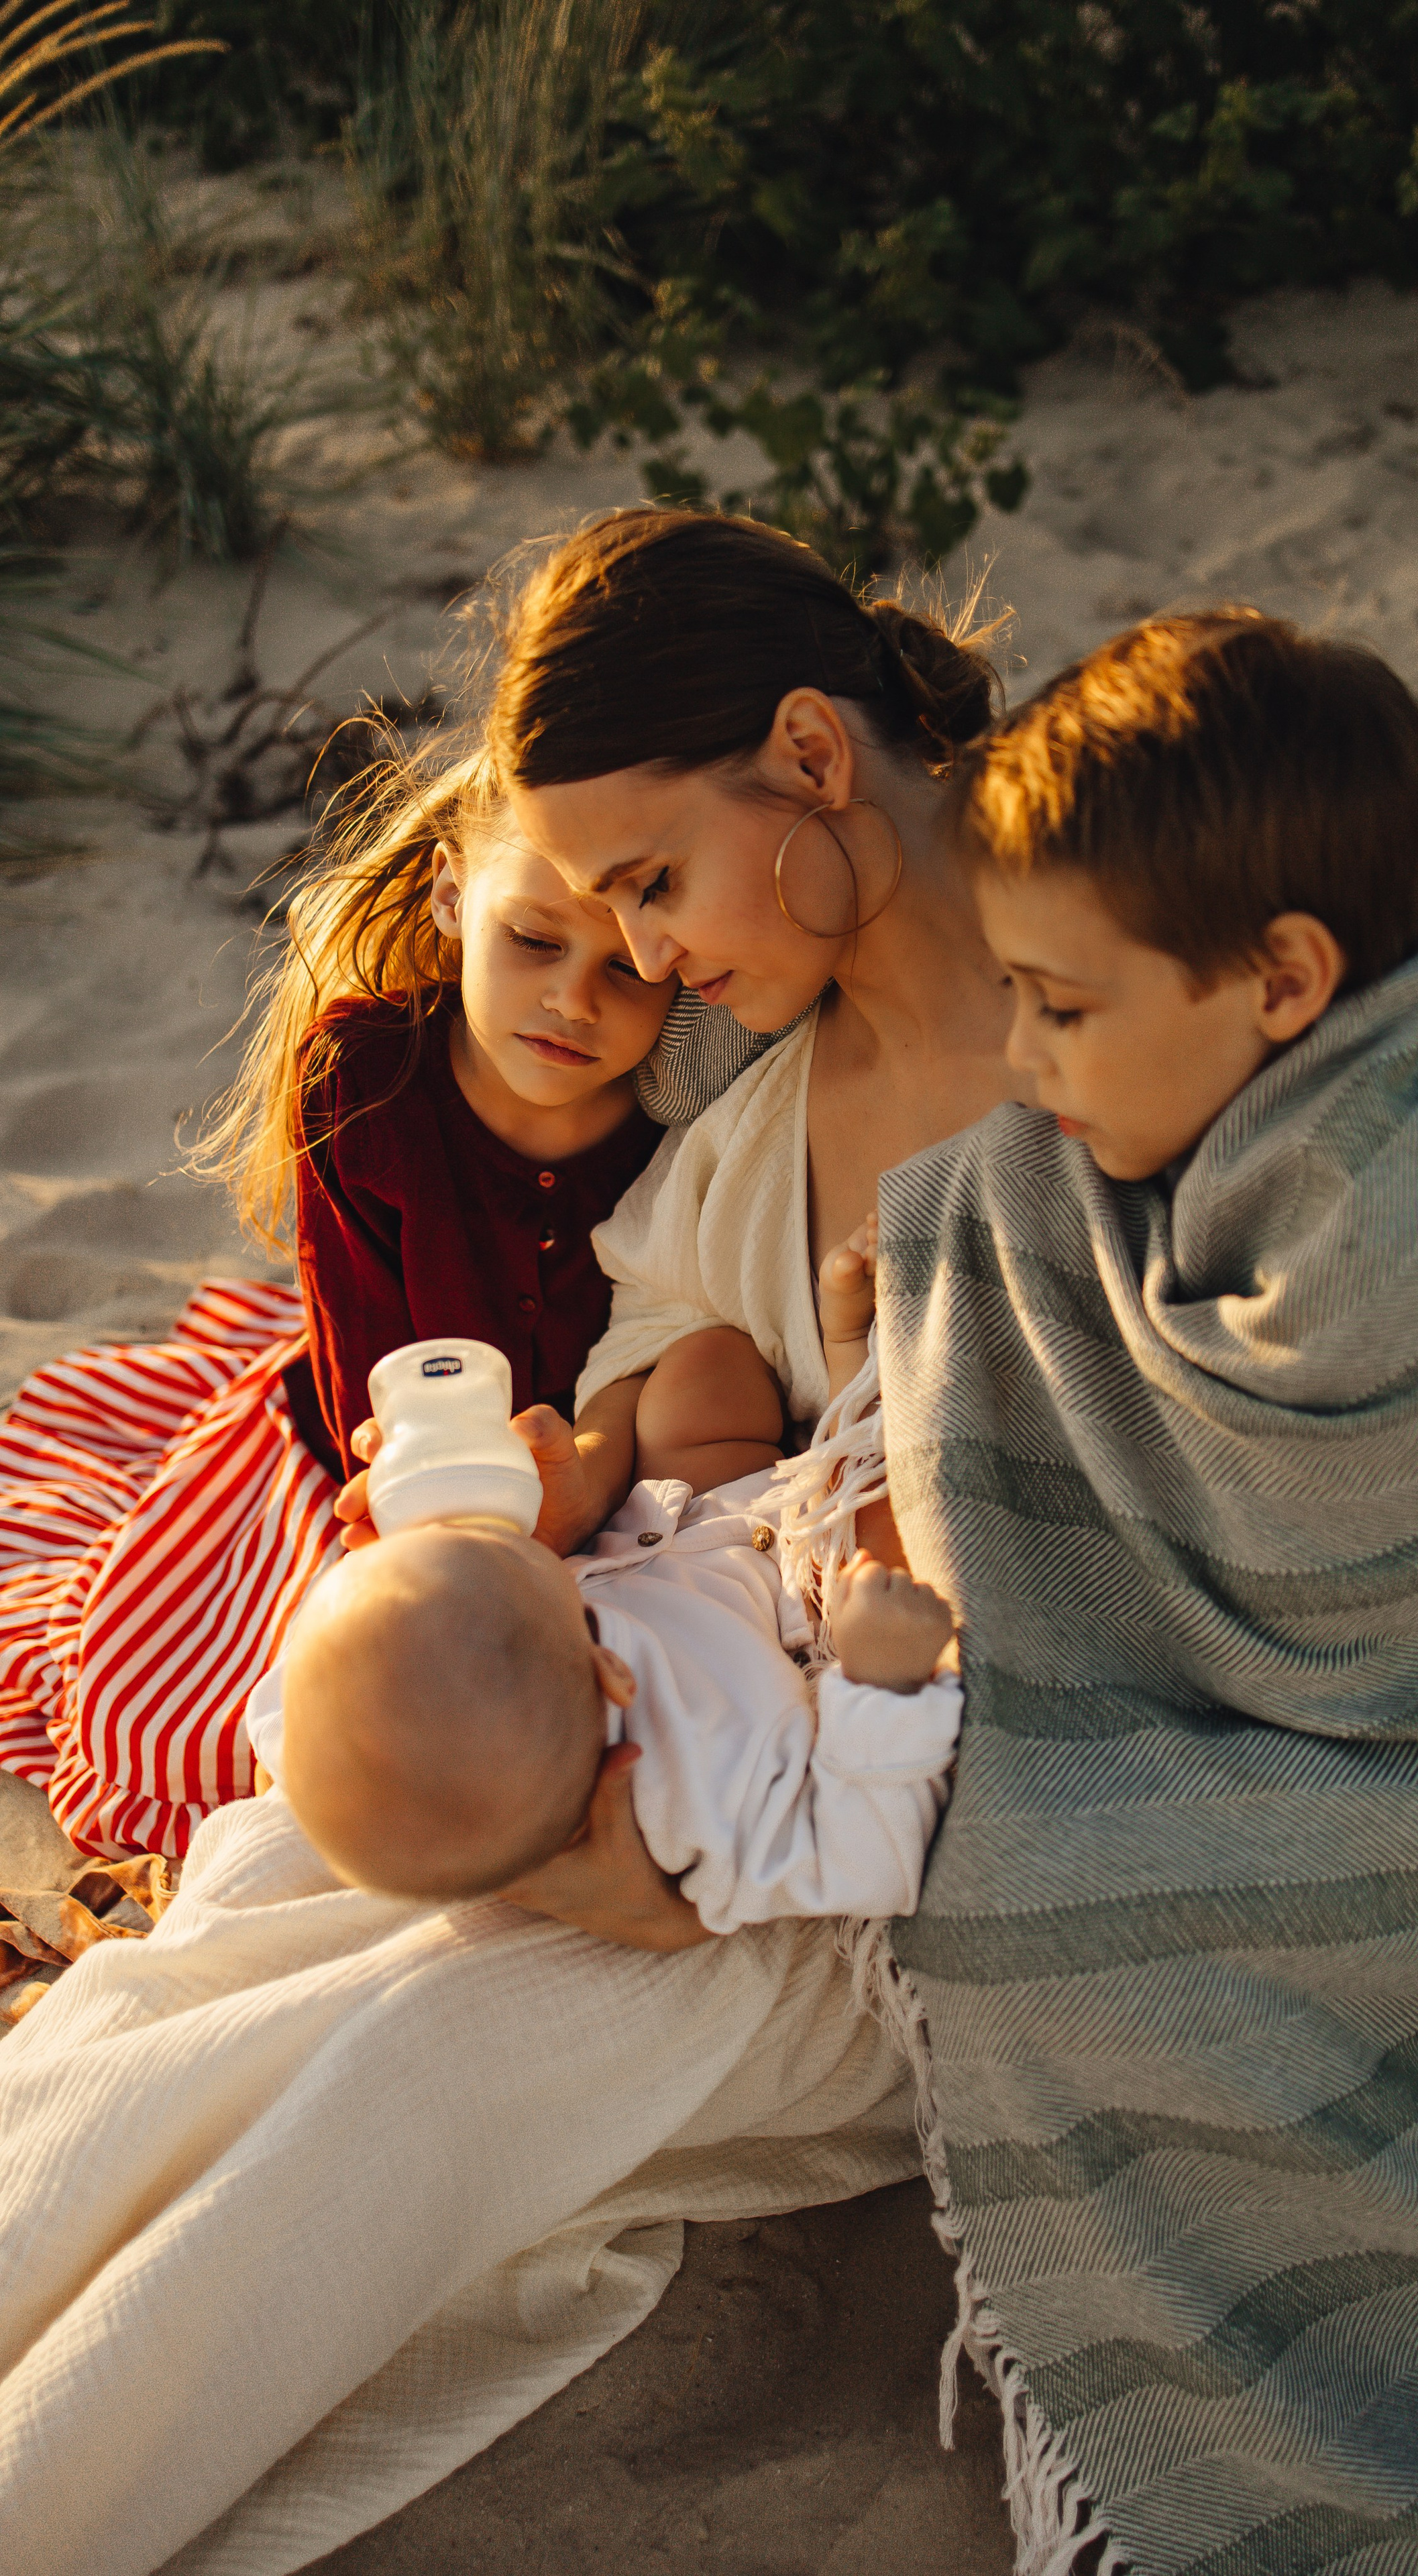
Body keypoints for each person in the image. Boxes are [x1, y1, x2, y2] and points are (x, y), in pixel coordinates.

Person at [0, 504, 1026, 2576]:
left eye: (649, 882)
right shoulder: (769, 1075)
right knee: (266, 1873)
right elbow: (668, 1351)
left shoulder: (1110, 1026)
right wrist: (596, 1479)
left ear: (815, 761)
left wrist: (687, 1845)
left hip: (893, 1854)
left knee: (417, 2043)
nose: (639, 956)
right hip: (687, 1686)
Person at [873, 610, 1418, 2573]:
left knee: (1019, 1901)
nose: (1014, 1057)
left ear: (1283, 978)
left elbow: (1416, 1562)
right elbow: (1025, 1210)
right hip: (1385, 1719)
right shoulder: (1275, 1070)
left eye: (1060, 1008)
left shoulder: (1400, 1234)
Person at [0, 734, 671, 1864]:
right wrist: (454, 1516)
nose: (572, 1000)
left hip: (612, 1455)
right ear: (456, 899)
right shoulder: (367, 1075)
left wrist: (583, 1479)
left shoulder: (675, 1107)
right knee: (210, 1729)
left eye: (625, 970)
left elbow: (674, 1327)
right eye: (534, 940)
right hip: (377, 1461)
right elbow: (364, 1362)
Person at [251, 1502, 960, 1929]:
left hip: (675, 1525)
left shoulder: (344, 1741)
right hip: (778, 1559)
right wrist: (880, 1682)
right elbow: (868, 1864)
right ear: (611, 1672)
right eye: (518, 1556)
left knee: (699, 1374)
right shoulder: (706, 1785)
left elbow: (284, 1709)